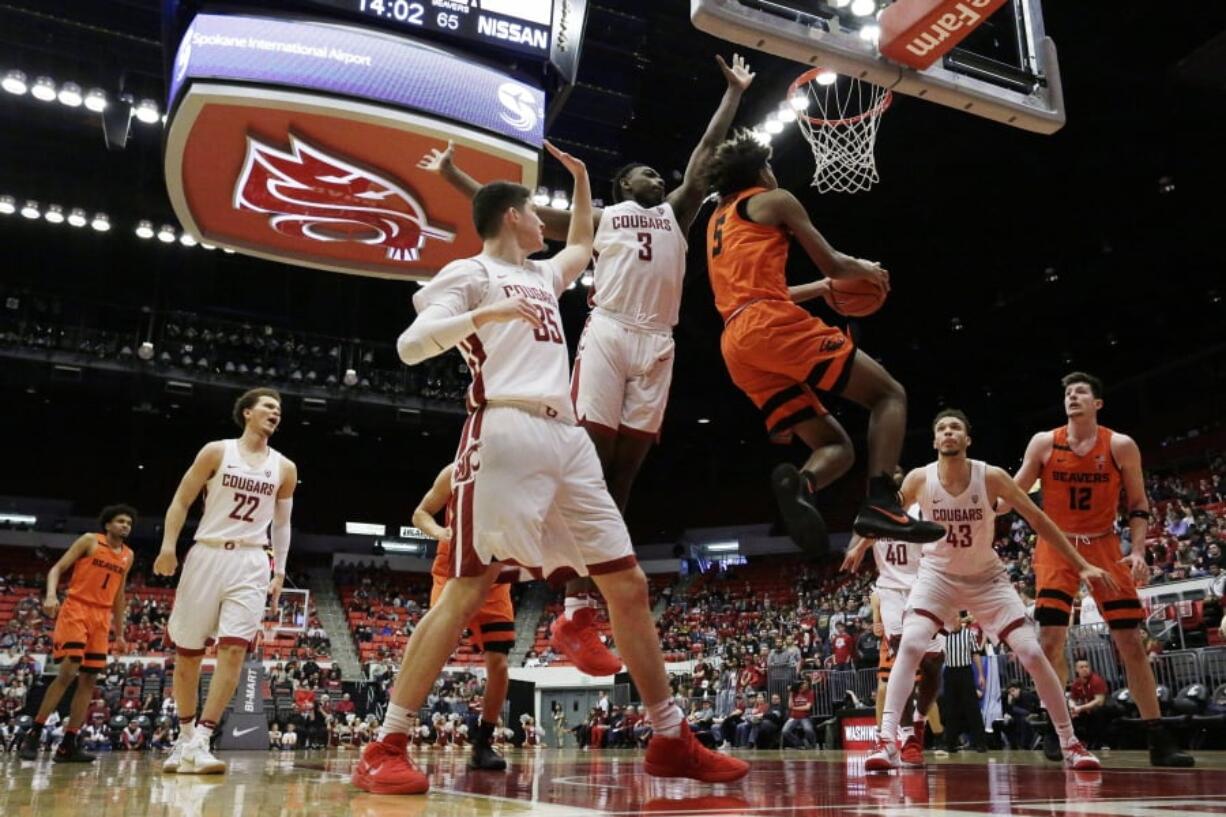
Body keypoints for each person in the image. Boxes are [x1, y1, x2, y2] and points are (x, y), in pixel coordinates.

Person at [351, 143, 748, 796]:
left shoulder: (544, 276)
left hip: (565, 436)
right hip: (503, 429)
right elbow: (410, 343)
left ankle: (671, 735)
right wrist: (483, 315)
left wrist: (584, 178)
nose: (545, 220)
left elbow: (585, 238)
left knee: (627, 583)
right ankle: (386, 741)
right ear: (511, 217)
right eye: (533, 211)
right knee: (468, 589)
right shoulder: (470, 273)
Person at [423, 54, 756, 676]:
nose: (657, 178)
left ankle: (579, 604)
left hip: (658, 343)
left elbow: (708, 151)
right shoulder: (603, 220)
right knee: (587, 460)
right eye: (644, 174)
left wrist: (733, 93)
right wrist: (456, 178)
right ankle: (569, 595)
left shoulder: (676, 211)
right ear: (622, 187)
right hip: (607, 333)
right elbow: (509, 214)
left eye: (661, 174)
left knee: (625, 474)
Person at [703, 130, 945, 556]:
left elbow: (755, 293)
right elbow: (833, 260)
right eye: (770, 166)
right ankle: (883, 503)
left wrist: (819, 288)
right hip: (771, 325)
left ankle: (803, 484)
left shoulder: (717, 220)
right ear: (761, 170)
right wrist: (866, 270)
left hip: (736, 342)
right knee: (888, 394)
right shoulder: (775, 200)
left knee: (837, 447)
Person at [865, 409, 1114, 771]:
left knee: (1031, 652)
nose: (948, 432)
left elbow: (1039, 518)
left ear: (967, 439)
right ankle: (887, 740)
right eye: (942, 428)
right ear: (935, 441)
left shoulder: (991, 476)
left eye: (956, 428)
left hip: (986, 578)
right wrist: (861, 539)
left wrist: (1082, 564)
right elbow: (884, 515)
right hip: (937, 576)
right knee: (912, 644)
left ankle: (1071, 741)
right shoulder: (920, 478)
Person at [1013, 371, 1193, 766]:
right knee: (1050, 640)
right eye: (1067, 393)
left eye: (1080, 392)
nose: (1072, 397)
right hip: (1056, 545)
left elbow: (1139, 502)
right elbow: (1014, 492)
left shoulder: (1121, 445)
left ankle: (1156, 736)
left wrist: (1141, 551)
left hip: (1104, 545)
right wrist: (982, 507)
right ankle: (1057, 728)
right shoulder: (1044, 442)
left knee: (1130, 641)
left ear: (1097, 403)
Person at [154, 387, 298, 774]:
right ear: (247, 413)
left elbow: (282, 525)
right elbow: (181, 500)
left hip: (252, 559)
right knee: (188, 654)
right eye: (269, 406)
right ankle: (183, 737)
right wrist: (168, 547)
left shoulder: (284, 467)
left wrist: (280, 571)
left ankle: (202, 738)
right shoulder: (217, 451)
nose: (276, 412)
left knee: (234, 651)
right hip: (207, 552)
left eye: (280, 409)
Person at [412, 462, 515, 771]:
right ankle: (396, 731)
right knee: (432, 654)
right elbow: (420, 513)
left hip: (494, 576)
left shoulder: (517, 472)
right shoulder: (455, 471)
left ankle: (482, 742)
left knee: (499, 662)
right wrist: (440, 532)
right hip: (451, 572)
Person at [18, 505, 136, 763]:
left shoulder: (128, 555)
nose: (125, 525)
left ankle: (68, 744)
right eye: (120, 521)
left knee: (89, 681)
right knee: (69, 669)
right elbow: (56, 569)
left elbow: (119, 595)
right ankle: (34, 733)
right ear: (107, 525)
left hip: (102, 617)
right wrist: (50, 595)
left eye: (129, 522)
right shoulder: (89, 540)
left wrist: (120, 633)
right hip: (76, 608)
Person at [843, 484, 946, 766]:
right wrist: (859, 547)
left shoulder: (920, 509)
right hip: (891, 593)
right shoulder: (873, 515)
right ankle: (903, 735)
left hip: (922, 587)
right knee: (904, 660)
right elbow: (863, 534)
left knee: (933, 664)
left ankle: (919, 720)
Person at [940, 615, 987, 754]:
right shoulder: (944, 636)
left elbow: (976, 654)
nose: (953, 623)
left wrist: (981, 674)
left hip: (965, 672)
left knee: (972, 707)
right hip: (949, 672)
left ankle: (980, 743)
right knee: (950, 709)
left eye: (954, 619)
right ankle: (951, 743)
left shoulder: (968, 634)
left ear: (959, 621)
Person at [1069, 658, 1109, 749]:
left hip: (1104, 708)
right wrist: (1073, 707)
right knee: (1072, 715)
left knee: (1097, 711)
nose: (1084, 669)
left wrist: (1081, 708)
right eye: (1081, 667)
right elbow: (1072, 699)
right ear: (1076, 670)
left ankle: (1103, 743)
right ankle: (1081, 742)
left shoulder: (1096, 680)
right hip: (1088, 708)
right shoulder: (1077, 683)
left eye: (1086, 666)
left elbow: (1099, 701)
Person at [781, 679, 816, 749]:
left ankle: (812, 745)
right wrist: (790, 694)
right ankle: (800, 744)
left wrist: (794, 708)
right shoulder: (794, 693)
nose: (805, 685)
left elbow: (807, 707)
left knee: (808, 730)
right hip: (793, 717)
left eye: (806, 684)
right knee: (784, 731)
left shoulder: (810, 693)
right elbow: (790, 706)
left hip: (805, 717)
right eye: (803, 684)